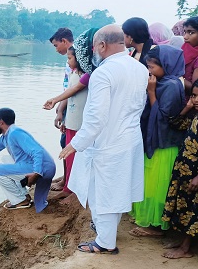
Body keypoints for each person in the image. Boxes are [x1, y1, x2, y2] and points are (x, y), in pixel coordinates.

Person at [60, 24, 148, 254]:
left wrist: (74, 144)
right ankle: (105, 232)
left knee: (104, 192)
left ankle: (105, 243)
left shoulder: (104, 73)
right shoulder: (138, 68)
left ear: (102, 45)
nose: (93, 52)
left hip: (108, 142)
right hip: (129, 138)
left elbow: (95, 118)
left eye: (94, 47)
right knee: (116, 189)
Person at [128, 45, 186, 238]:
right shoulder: (164, 82)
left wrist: (152, 93)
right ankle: (149, 218)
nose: (149, 71)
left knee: (157, 185)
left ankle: (156, 225)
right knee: (149, 182)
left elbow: (163, 117)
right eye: (148, 67)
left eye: (152, 67)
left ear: (167, 65)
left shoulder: (171, 85)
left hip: (164, 144)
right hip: (156, 141)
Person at [43, 29, 96, 203]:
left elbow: (74, 90)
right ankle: (68, 184)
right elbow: (69, 92)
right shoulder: (73, 73)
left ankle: (72, 189)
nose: (67, 60)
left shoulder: (87, 75)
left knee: (77, 155)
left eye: (70, 58)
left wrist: (55, 101)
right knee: (68, 153)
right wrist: (61, 113)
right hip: (71, 119)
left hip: (80, 123)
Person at [162, 76, 198, 259]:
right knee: (183, 207)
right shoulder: (197, 114)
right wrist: (188, 107)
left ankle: (185, 248)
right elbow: (175, 123)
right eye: (194, 96)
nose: (197, 100)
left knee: (194, 209)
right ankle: (184, 240)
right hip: (184, 170)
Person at [48, 28, 74, 192]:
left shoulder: (76, 60)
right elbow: (68, 88)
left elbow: (73, 88)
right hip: (67, 105)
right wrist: (60, 108)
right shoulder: (70, 61)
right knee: (64, 141)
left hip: (72, 107)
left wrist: (60, 107)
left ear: (64, 41)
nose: (56, 49)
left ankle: (68, 182)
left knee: (66, 143)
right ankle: (66, 179)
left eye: (56, 45)